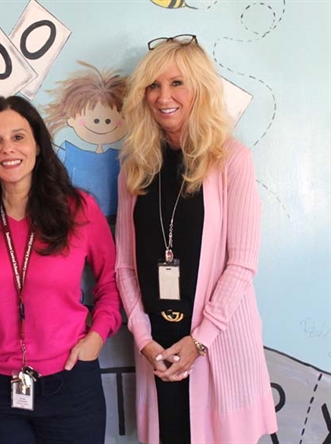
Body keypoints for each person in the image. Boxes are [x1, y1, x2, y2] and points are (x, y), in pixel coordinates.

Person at [115, 35, 278, 443]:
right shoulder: (134, 170)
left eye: (176, 83)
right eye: (153, 85)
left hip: (218, 347)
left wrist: (200, 341)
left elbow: (242, 263)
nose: (162, 96)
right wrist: (143, 339)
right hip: (158, 351)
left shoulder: (232, 160)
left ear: (200, 89)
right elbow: (124, 266)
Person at [0, 95, 122, 444]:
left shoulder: (78, 208)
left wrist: (96, 337)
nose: (7, 149)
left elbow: (112, 282)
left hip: (71, 382)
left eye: (18, 137)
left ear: (38, 145)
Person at [43, 61, 128, 218]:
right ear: (71, 119)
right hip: (75, 221)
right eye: (95, 120)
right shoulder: (65, 153)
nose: (103, 124)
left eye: (109, 120)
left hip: (118, 221)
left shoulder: (127, 156)